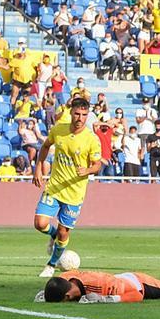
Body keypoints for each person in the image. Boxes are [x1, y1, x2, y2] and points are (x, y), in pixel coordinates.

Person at [32, 98, 102, 278]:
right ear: (71, 112)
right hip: (54, 187)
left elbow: (97, 165)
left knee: (64, 232)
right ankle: (53, 235)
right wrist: (38, 168)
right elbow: (46, 146)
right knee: (40, 223)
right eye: (77, 114)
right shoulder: (59, 130)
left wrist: (86, 170)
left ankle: (51, 265)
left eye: (84, 115)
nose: (80, 118)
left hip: (74, 193)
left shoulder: (91, 139)